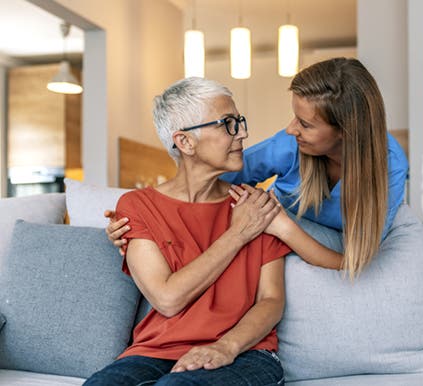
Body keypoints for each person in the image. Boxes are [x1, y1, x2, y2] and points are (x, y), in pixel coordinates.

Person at [107, 57, 409, 279]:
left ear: (346, 131)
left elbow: (354, 261)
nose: (291, 129)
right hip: (266, 231)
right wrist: (141, 224)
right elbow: (208, 178)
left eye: (304, 123)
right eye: (294, 117)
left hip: (304, 240)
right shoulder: (292, 144)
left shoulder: (390, 168)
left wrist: (282, 226)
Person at [85, 77, 290, 385]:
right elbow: (168, 299)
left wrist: (226, 346)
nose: (243, 133)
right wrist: (238, 234)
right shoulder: (137, 206)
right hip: (154, 352)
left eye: (240, 122)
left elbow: (272, 300)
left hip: (246, 353)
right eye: (228, 124)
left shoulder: (254, 204)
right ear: (185, 142)